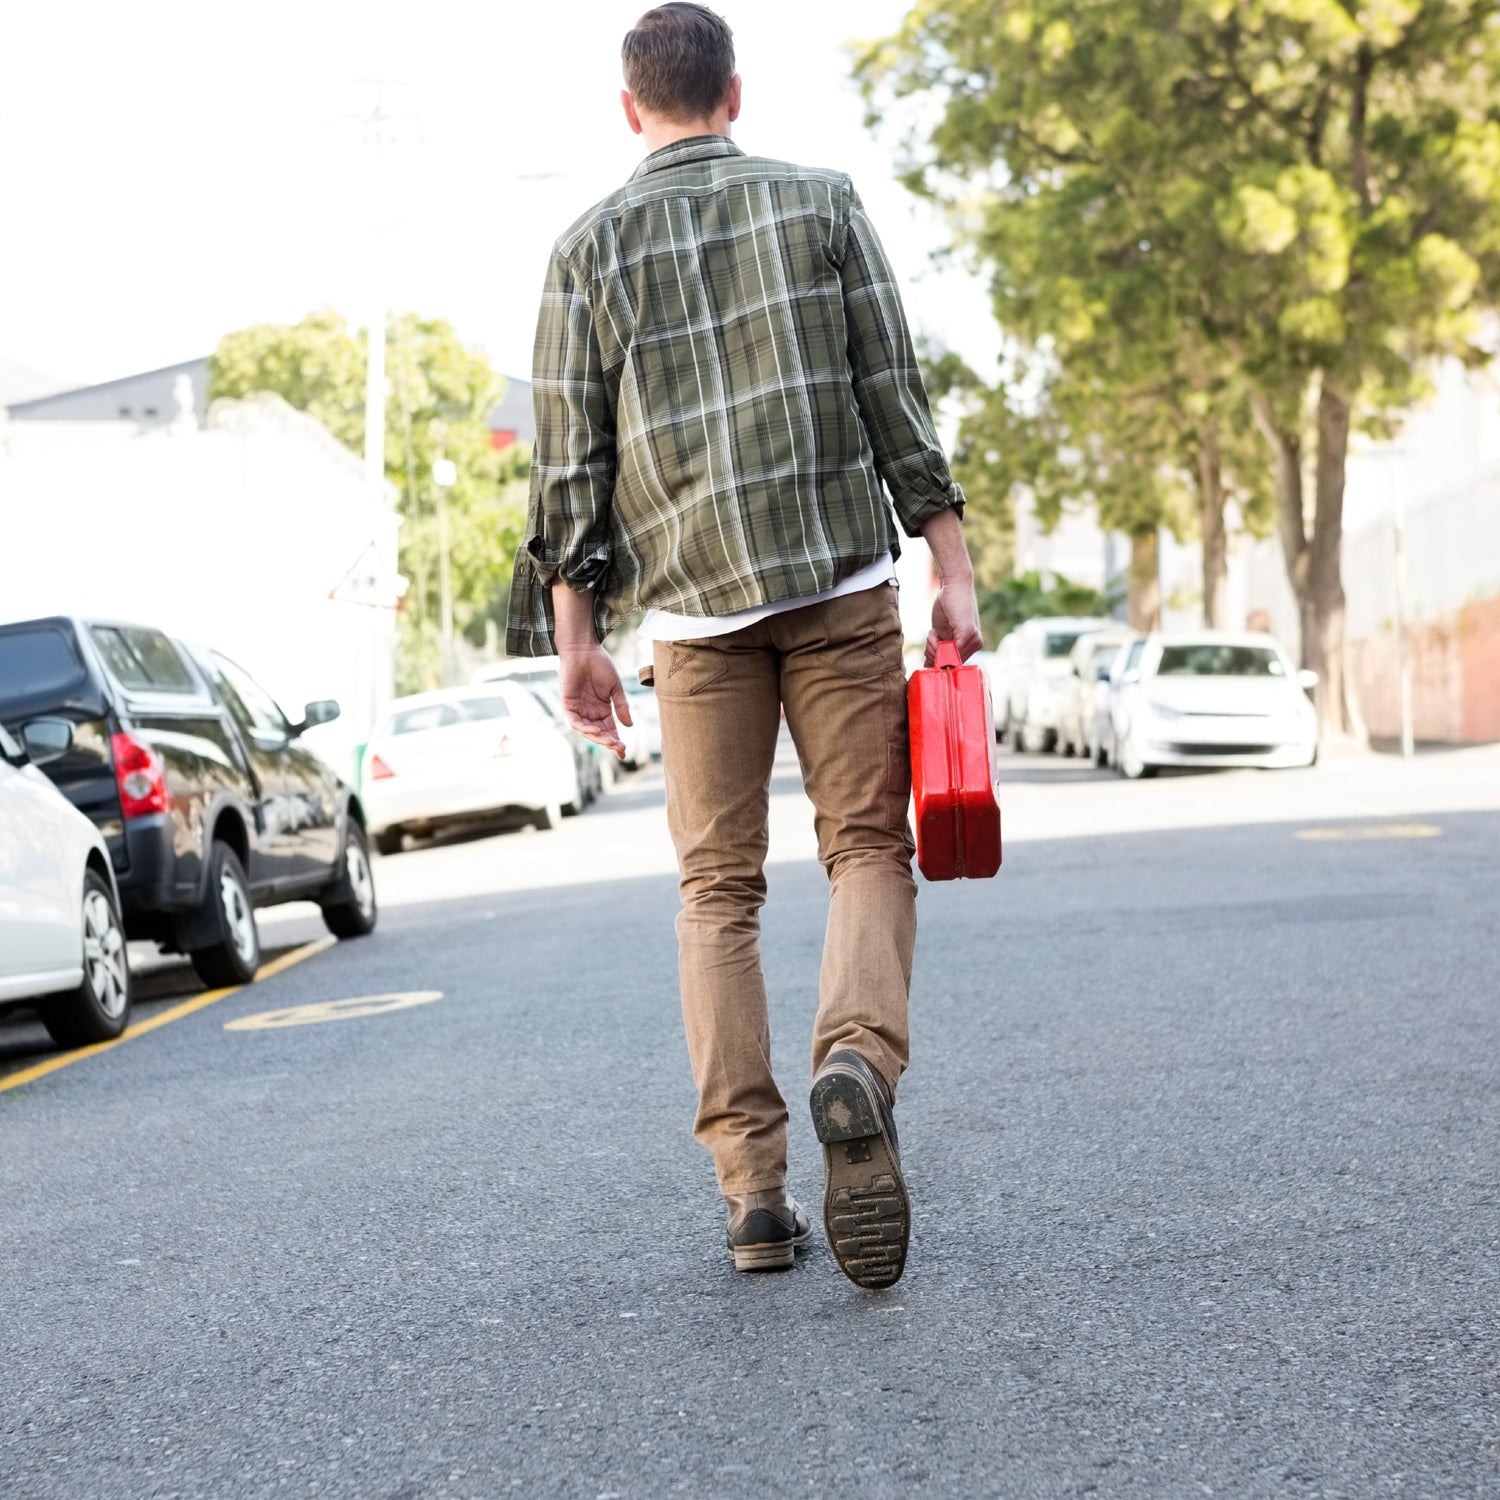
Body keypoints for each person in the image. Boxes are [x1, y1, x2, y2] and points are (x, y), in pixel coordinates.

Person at [506, 2, 981, 1289]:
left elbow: (570, 475)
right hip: (833, 583)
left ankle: (755, 1198)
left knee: (718, 893)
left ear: (629, 109)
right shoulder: (823, 203)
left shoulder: (586, 246)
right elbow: (896, 395)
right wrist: (950, 565)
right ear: (733, 91)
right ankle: (857, 1061)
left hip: (696, 620)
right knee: (868, 846)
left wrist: (576, 641)